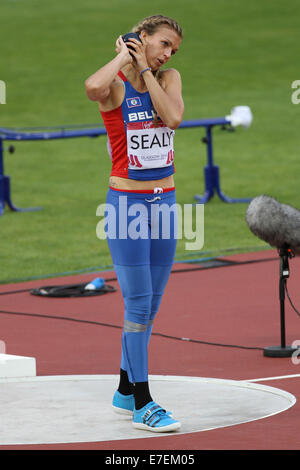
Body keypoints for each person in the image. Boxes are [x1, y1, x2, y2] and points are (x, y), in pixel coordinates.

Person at [85, 14, 184, 432]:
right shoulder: (116, 88)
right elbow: (92, 87)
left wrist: (146, 66)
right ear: (140, 38)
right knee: (138, 305)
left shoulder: (169, 78)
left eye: (172, 50)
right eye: (161, 44)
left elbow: (172, 118)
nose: (167, 54)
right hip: (128, 206)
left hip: (165, 203)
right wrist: (125, 58)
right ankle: (143, 402)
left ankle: (125, 388)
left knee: (151, 305)